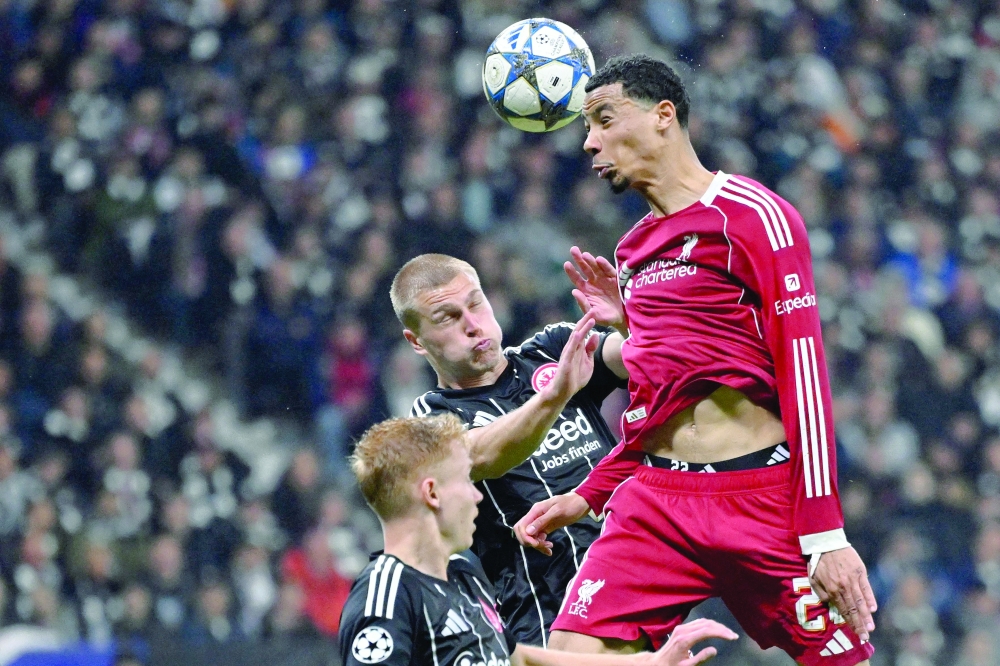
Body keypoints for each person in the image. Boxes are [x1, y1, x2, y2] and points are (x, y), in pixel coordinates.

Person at [513, 55, 877, 666]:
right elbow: (659, 398)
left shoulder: (755, 217)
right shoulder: (633, 250)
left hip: (760, 499)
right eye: (585, 127)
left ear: (663, 117)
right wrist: (591, 494)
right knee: (569, 657)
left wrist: (825, 533)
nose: (589, 141)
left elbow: (804, 375)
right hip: (656, 502)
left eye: (603, 119)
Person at [338, 414, 737, 666]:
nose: (478, 495)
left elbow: (523, 658)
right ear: (432, 493)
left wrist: (650, 664)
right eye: (467, 481)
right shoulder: (387, 595)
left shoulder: (464, 576)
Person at [389, 253, 629, 646]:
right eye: (448, 318)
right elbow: (484, 455)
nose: (472, 325)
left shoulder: (551, 349)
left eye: (476, 302)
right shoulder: (428, 419)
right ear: (416, 341)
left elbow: (653, 356)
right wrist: (557, 395)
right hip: (549, 623)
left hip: (636, 588)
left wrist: (628, 318)